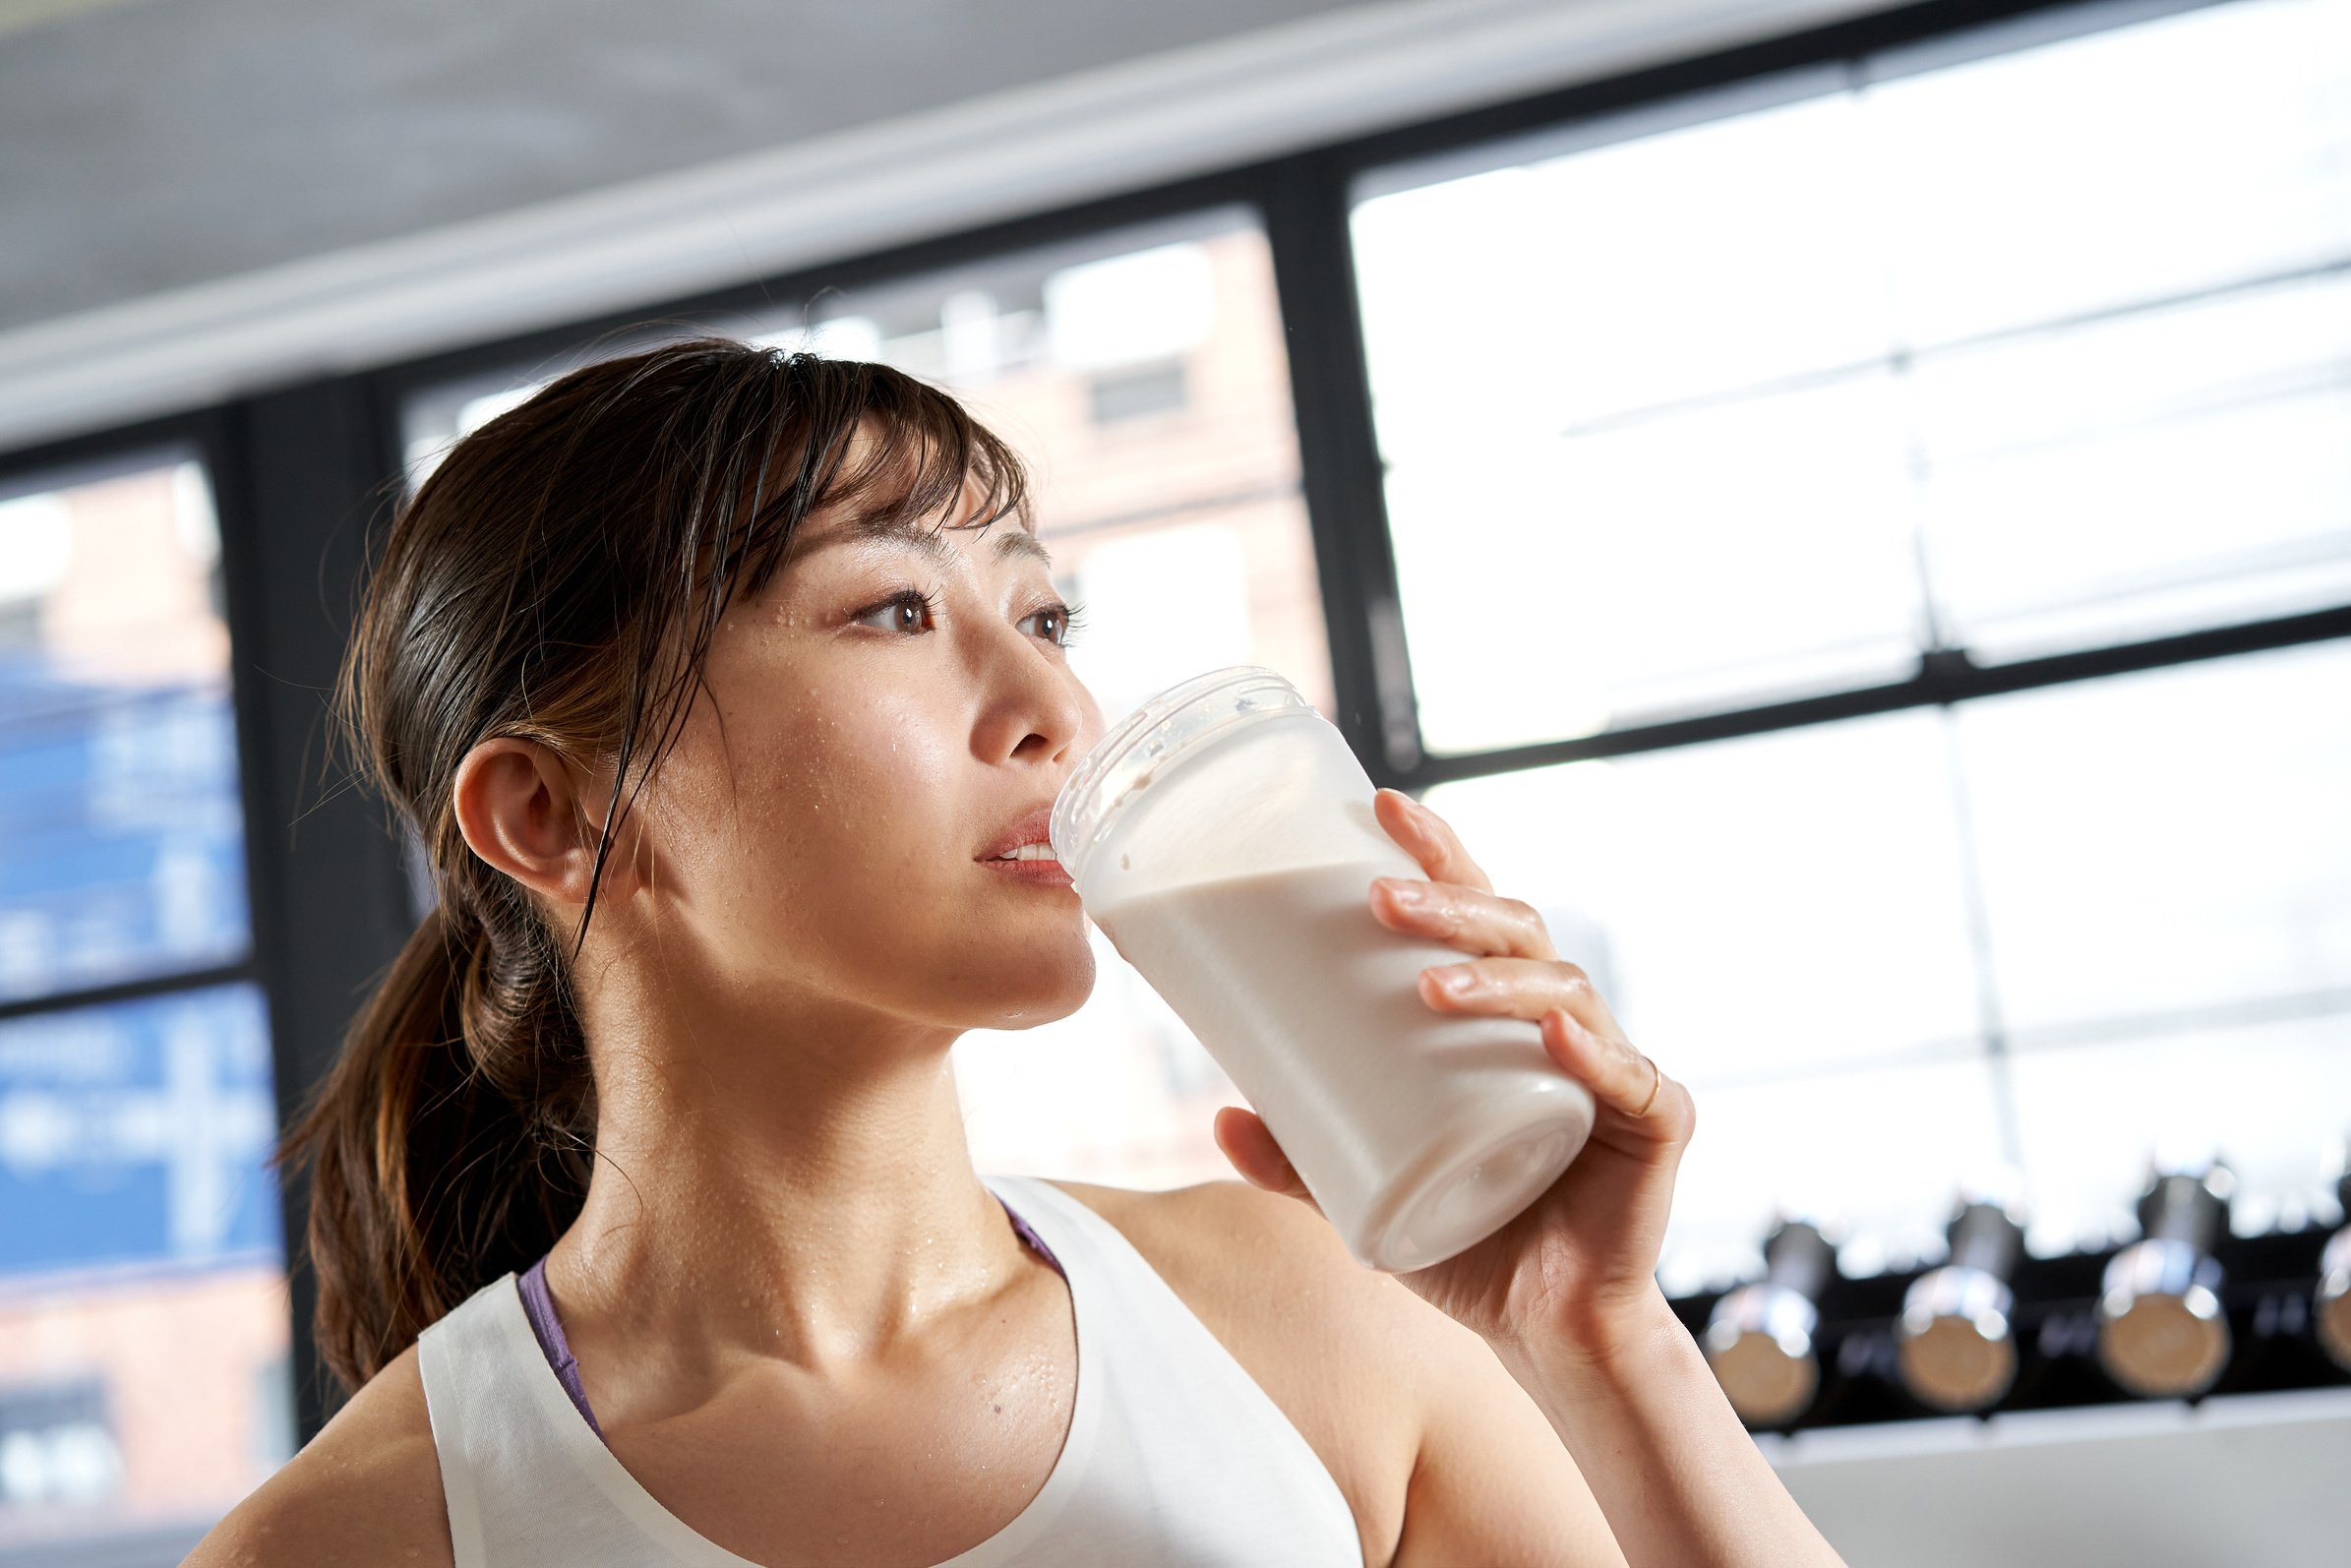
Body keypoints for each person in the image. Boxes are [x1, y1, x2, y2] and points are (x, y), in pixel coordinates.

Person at [188, 339, 1845, 1568]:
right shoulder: (359, 1540)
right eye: (892, 610)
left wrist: (1591, 1331)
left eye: (1042, 617)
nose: (1057, 709)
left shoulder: (1304, 1324)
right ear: (550, 814)